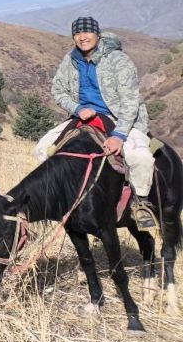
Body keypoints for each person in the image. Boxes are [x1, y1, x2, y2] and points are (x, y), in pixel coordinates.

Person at [34, 16, 156, 228]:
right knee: (42, 149)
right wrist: (77, 108)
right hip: (83, 116)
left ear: (97, 34)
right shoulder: (70, 60)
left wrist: (119, 135)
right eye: (78, 33)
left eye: (87, 32)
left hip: (118, 117)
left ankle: (141, 204)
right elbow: (58, 89)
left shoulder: (118, 60)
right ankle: (63, 197)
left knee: (140, 157)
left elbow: (130, 101)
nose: (82, 37)